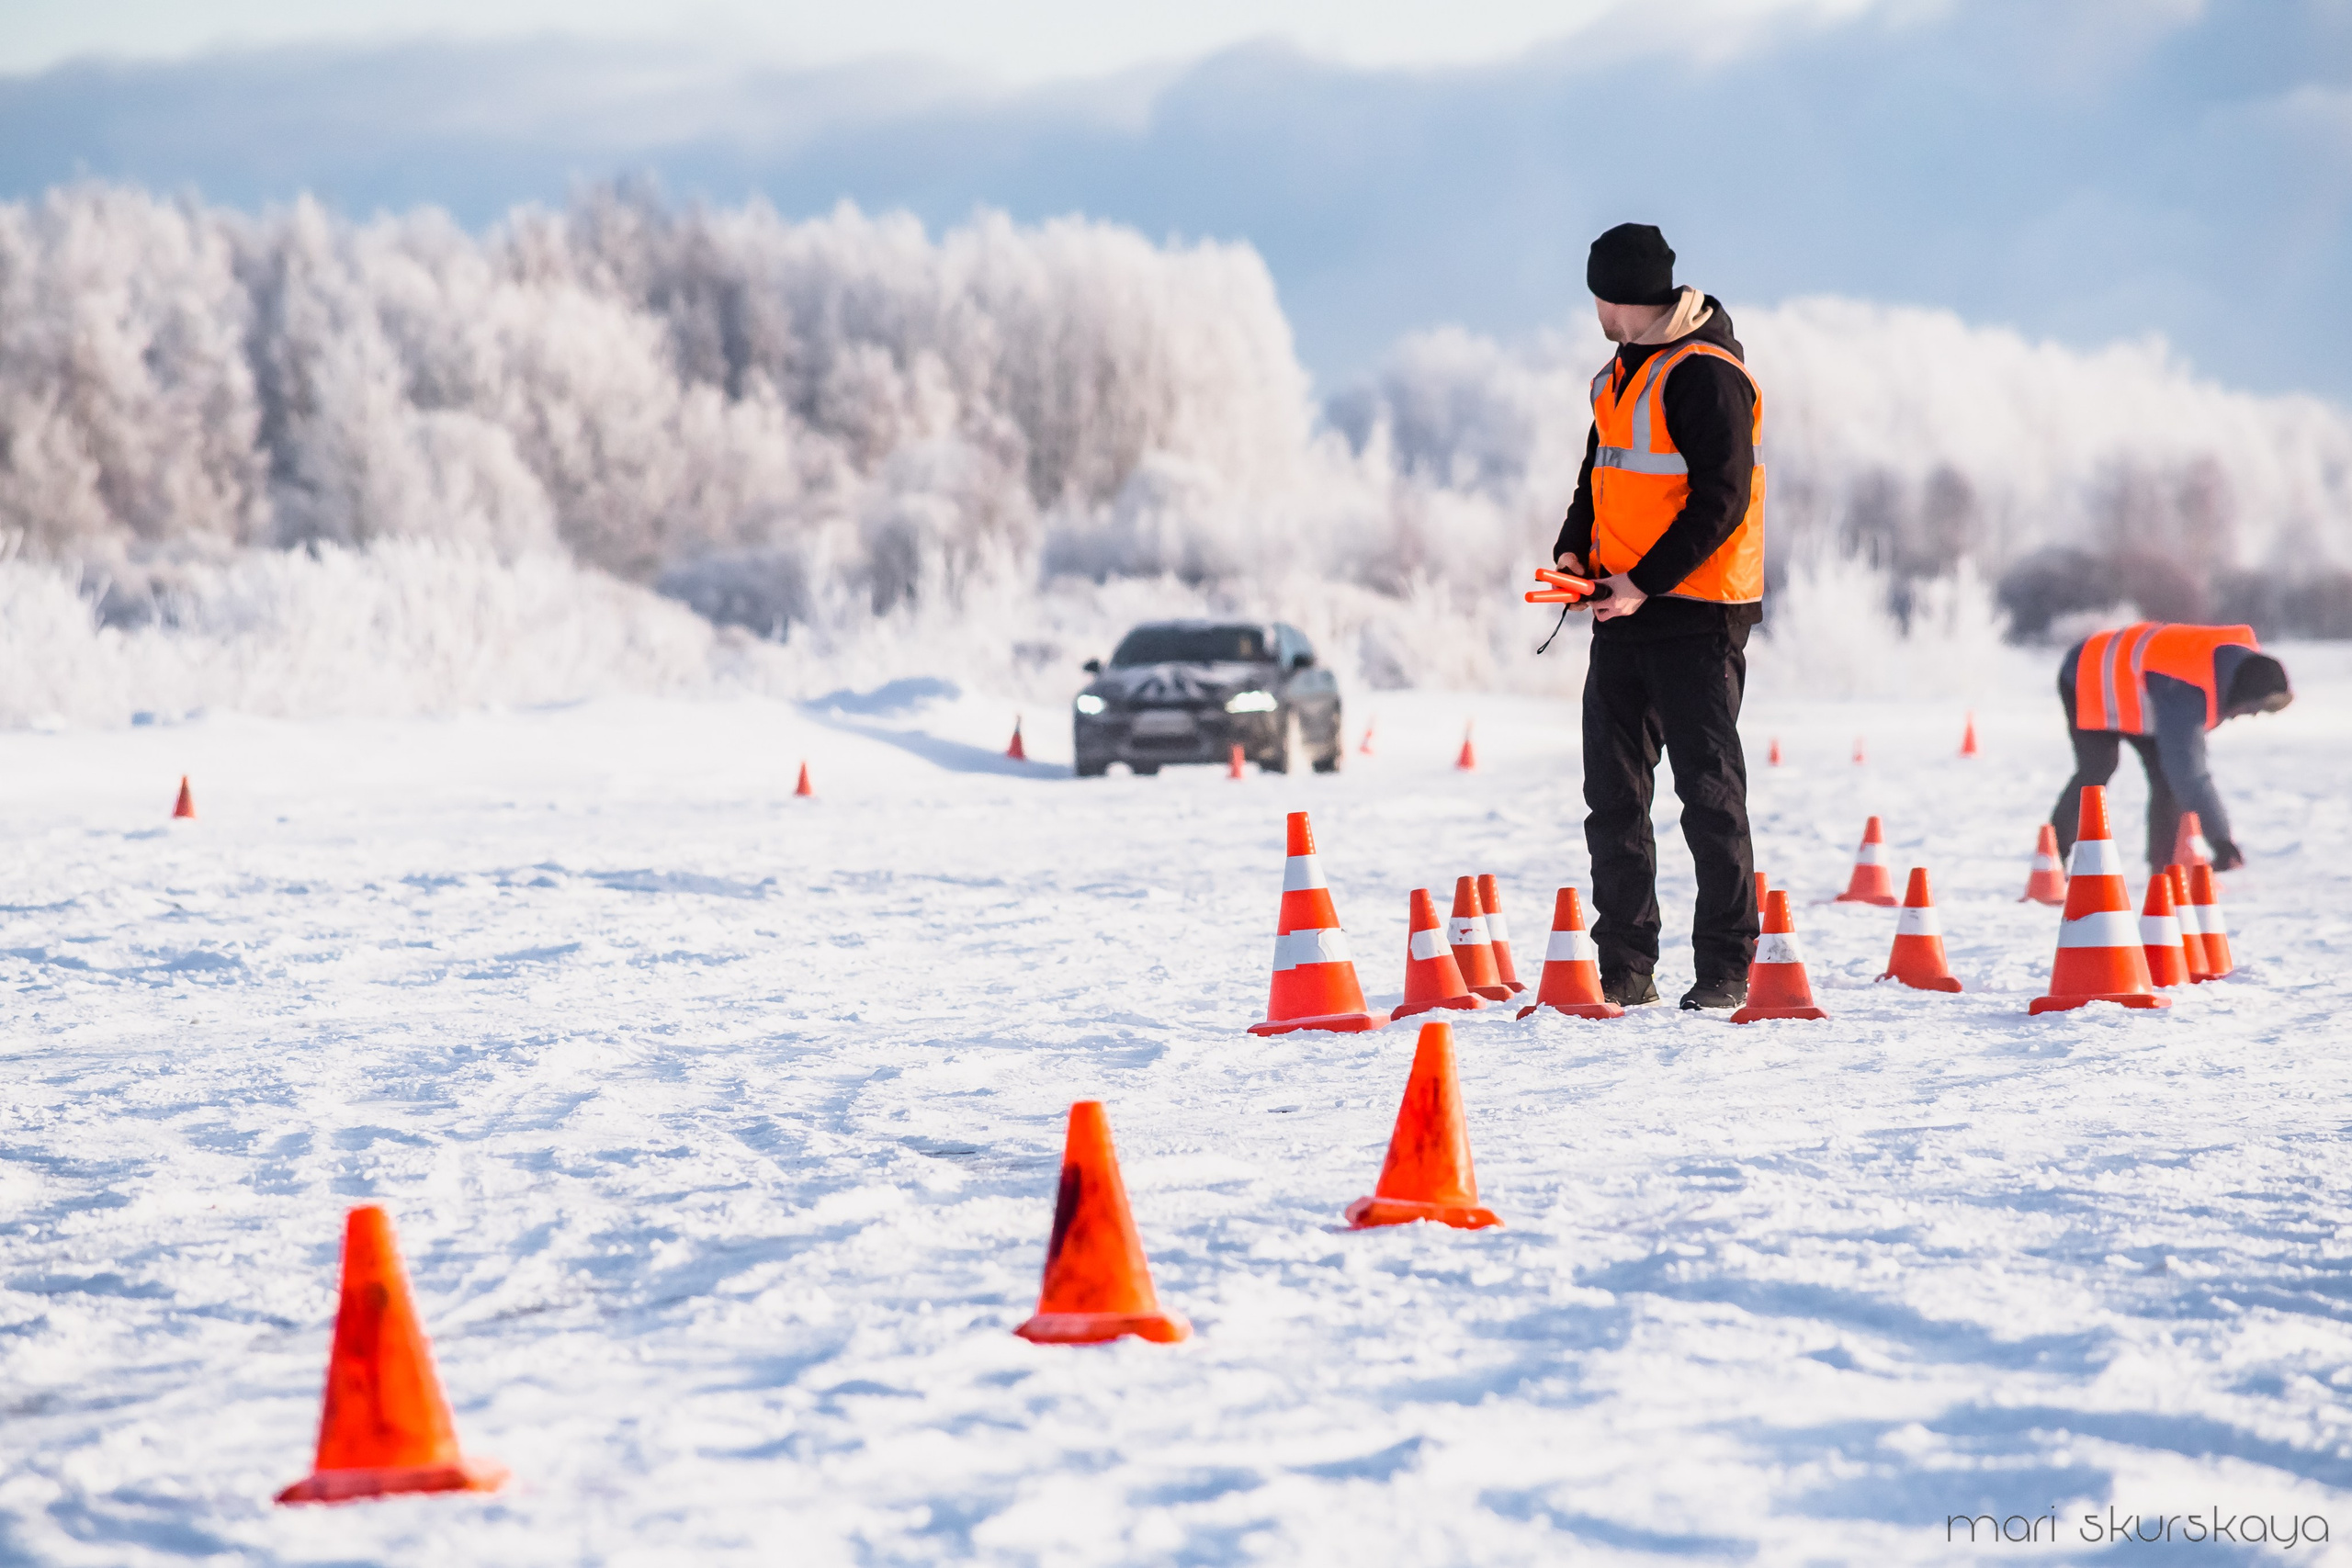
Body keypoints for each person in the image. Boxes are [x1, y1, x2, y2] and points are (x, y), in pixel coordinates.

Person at [1552, 223, 1764, 1010]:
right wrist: (1576, 552)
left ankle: (1725, 969)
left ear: (1620, 294)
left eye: (1597, 293)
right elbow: (1595, 478)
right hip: (1622, 610)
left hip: (1698, 615)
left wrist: (1645, 580)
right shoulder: (1618, 375)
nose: (1594, 308)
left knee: (1708, 795)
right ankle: (1626, 968)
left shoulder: (1707, 375)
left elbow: (1724, 498)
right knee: (1612, 796)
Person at [2052, 622, 2290, 870]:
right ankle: (2052, 856)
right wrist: (2222, 842)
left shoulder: (2233, 664)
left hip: (2139, 690)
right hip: (2087, 672)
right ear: (2241, 695)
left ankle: (2164, 868)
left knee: (2166, 777)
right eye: (2252, 709)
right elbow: (2190, 774)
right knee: (2099, 766)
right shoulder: (2186, 689)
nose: (2251, 715)